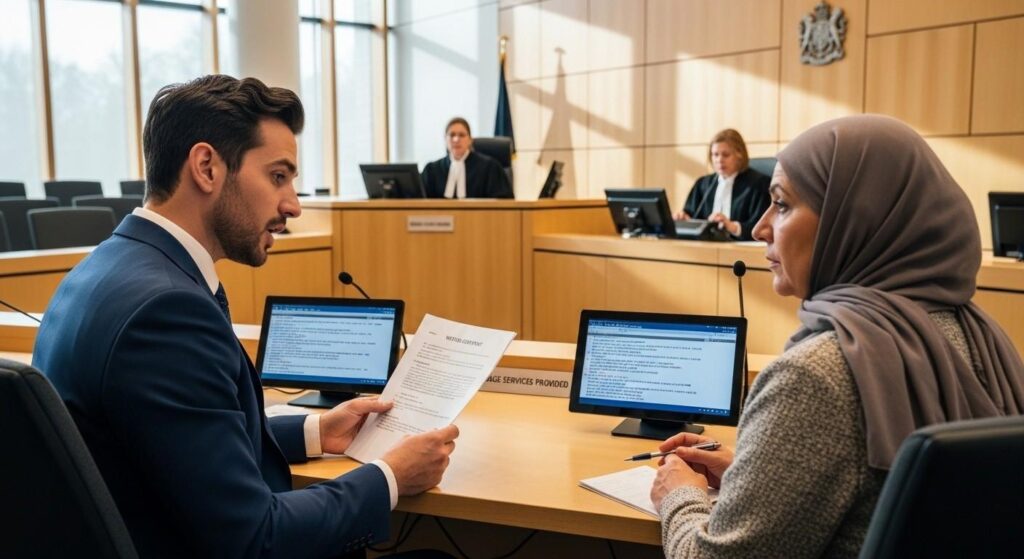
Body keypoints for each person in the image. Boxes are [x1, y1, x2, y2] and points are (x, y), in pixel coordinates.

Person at [32, 75, 459, 558]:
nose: (294, 205)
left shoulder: (102, 269)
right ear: (207, 167)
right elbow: (256, 539)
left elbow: (168, 438)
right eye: (278, 176)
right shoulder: (167, 312)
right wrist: (391, 476)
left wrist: (316, 430)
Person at [651, 115, 1024, 557]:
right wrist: (760, 475)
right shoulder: (983, 337)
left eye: (782, 205)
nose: (760, 227)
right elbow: (889, 494)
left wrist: (678, 495)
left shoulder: (815, 375)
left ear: (851, 221)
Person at [673, 129, 770, 241]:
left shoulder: (759, 184)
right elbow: (691, 215)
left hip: (741, 250)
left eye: (725, 155)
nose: (719, 160)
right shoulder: (702, 184)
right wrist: (685, 219)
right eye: (715, 155)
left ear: (740, 155)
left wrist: (732, 226)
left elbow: (762, 228)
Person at [420, 117, 513, 199]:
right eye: (452, 135)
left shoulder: (490, 167)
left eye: (461, 135)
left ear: (470, 140)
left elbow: (504, 203)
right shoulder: (431, 170)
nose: (456, 139)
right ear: (445, 139)